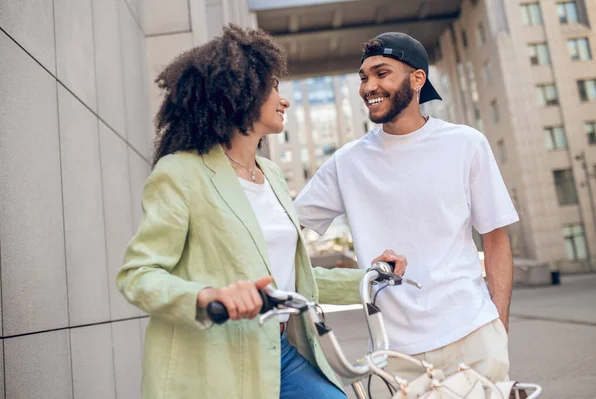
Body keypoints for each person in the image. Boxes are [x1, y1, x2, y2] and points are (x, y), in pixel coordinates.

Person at [116, 25, 406, 399]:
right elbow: (137, 275)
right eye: (273, 87)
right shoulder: (181, 173)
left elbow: (294, 280)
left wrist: (370, 277)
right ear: (239, 93)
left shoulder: (270, 174)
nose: (282, 100)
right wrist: (208, 296)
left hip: (278, 352)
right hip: (215, 364)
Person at [294, 32, 519, 383]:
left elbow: (495, 237)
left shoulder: (465, 144)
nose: (369, 86)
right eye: (364, 77)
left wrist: (498, 326)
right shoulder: (347, 162)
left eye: (382, 74)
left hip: (472, 331)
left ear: (417, 80)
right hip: (397, 350)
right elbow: (286, 226)